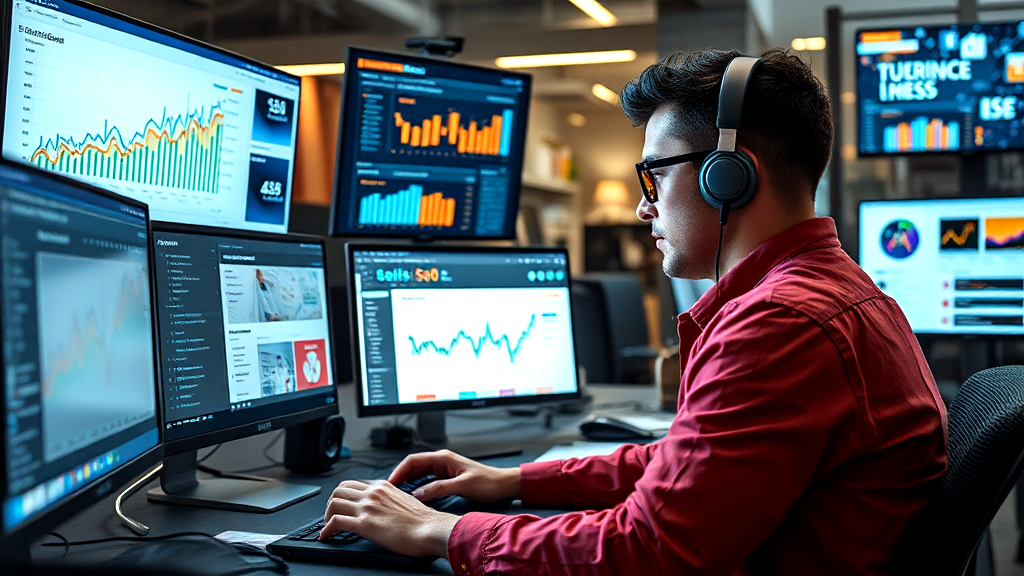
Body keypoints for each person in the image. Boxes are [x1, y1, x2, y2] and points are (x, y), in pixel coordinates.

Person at [318, 48, 948, 574]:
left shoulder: (780, 324)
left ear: (728, 177)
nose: (644, 208)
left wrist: (442, 533)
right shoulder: (831, 290)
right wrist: (510, 481)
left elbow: (650, 550)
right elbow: (682, 460)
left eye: (654, 176)